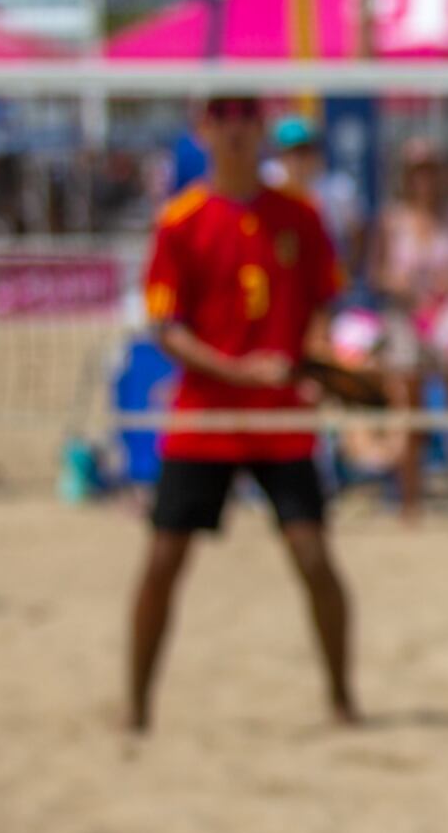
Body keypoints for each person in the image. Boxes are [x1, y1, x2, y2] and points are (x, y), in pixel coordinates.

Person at [130, 97, 354, 732]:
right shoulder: (182, 220)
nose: (234, 129)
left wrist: (314, 360)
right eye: (221, 117)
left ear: (261, 131)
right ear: (203, 130)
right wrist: (239, 370)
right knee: (163, 560)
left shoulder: (301, 217)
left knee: (314, 557)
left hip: (280, 421)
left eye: (245, 117)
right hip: (205, 418)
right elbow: (165, 329)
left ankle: (342, 698)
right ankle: (137, 706)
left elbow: (322, 302)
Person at [374, 139, 448, 525]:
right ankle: (410, 504)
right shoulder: (393, 220)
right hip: (409, 322)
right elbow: (375, 273)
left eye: (431, 170)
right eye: (418, 171)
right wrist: (400, 285)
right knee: (411, 416)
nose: (424, 179)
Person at [269, 114, 366, 278]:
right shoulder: (269, 186)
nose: (297, 159)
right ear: (280, 156)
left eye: (304, 151)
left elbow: (358, 232)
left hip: (324, 281)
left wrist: (348, 270)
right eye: (291, 152)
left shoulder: (338, 191)